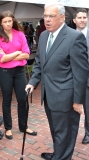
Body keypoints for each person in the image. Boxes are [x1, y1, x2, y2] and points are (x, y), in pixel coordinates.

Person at [25, 3, 89, 160]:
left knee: (66, 132)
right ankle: (58, 154)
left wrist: (78, 101)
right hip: (49, 95)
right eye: (45, 16)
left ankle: (62, 157)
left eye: (51, 16)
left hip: (66, 97)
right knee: (56, 130)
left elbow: (81, 73)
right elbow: (40, 62)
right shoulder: (44, 36)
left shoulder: (75, 37)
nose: (47, 19)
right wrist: (33, 82)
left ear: (62, 17)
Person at [0, 11, 37, 140]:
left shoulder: (20, 34)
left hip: (20, 72)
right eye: (5, 21)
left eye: (9, 21)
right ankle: (8, 128)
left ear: (13, 21)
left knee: (22, 99)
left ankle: (23, 127)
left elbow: (27, 54)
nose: (7, 24)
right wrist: (18, 53)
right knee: (7, 100)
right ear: (0, 23)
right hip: (5, 73)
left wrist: (9, 56)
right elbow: (1, 59)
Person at [73, 8, 89, 145]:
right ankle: (70, 135)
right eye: (80, 18)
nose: (82, 20)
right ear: (74, 20)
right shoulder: (70, 35)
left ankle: (88, 133)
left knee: (88, 108)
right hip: (72, 79)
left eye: (84, 17)